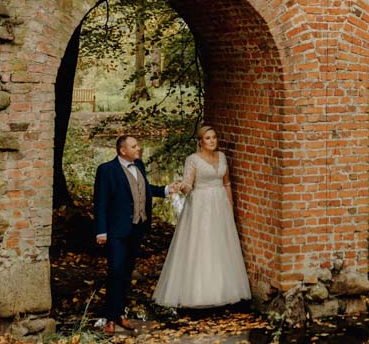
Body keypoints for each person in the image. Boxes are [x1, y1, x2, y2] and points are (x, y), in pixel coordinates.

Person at [152, 125, 252, 308]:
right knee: (202, 244)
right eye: (208, 138)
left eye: (214, 137)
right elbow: (189, 185)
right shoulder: (193, 159)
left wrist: (230, 207)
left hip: (220, 205)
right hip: (200, 206)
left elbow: (227, 183)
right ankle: (200, 294)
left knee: (221, 245)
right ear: (200, 142)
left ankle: (223, 290)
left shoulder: (222, 157)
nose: (212, 141)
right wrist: (182, 187)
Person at [93, 133, 178, 335]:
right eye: (134, 146)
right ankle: (110, 318)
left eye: (137, 145)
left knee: (126, 273)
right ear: (123, 151)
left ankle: (120, 314)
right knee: (115, 272)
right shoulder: (107, 170)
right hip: (116, 231)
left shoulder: (139, 165)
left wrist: (166, 190)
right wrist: (101, 231)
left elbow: (144, 189)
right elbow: (100, 202)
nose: (138, 148)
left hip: (136, 229)